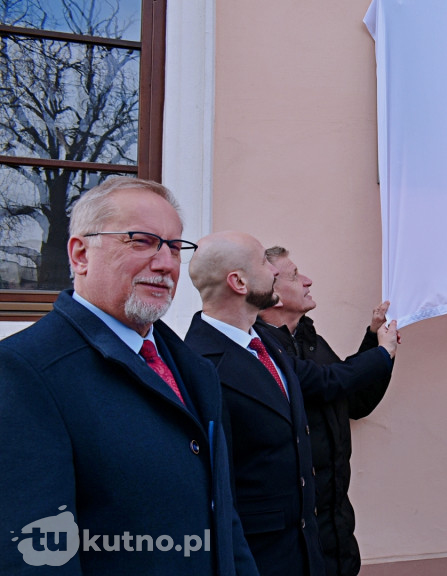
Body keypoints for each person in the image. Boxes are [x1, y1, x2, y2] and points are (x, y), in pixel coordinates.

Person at [0, 177, 258, 575]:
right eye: (141, 241)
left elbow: (224, 516)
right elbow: (36, 555)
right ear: (81, 254)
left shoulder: (194, 369)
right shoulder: (23, 371)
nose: (166, 263)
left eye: (174, 247)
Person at [184, 231, 397, 576]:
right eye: (263, 264)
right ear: (239, 282)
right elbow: (213, 488)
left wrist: (378, 348)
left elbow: (334, 384)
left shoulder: (267, 347)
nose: (272, 273)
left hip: (313, 549)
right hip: (259, 559)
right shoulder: (197, 364)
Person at [257, 246, 392, 576]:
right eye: (294, 275)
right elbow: (326, 382)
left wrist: (376, 340)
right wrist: (381, 353)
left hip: (337, 531)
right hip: (294, 538)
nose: (308, 281)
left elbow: (354, 399)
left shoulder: (310, 341)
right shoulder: (259, 354)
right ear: (272, 294)